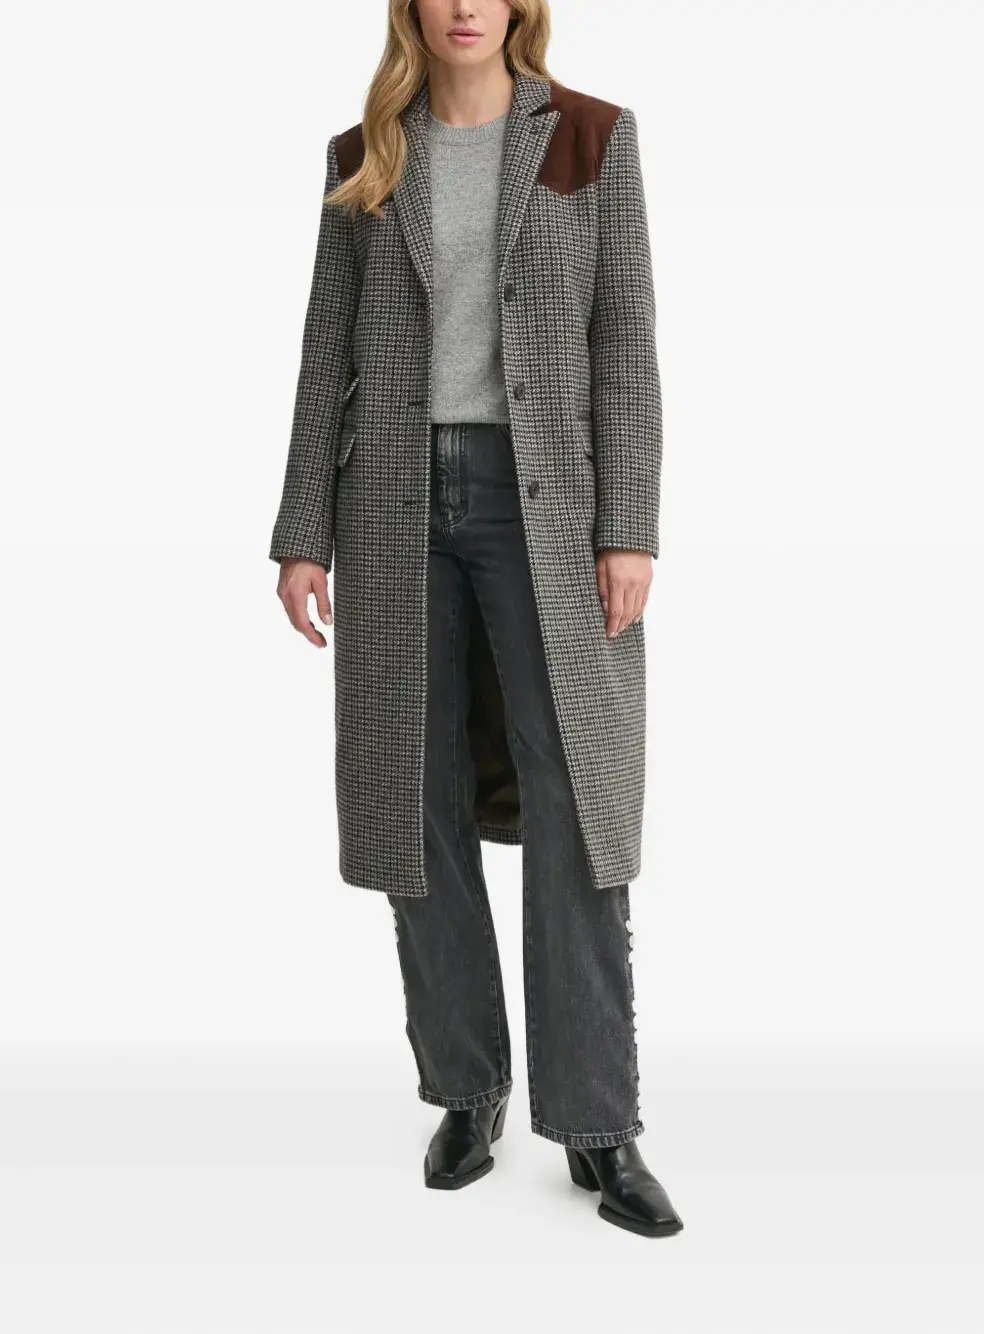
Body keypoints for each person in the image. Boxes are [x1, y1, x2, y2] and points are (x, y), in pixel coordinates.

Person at [269, 0, 683, 1238]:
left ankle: (598, 1118)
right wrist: (301, 530)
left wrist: (629, 526)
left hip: (545, 504)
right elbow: (325, 347)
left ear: (518, 8)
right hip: (390, 504)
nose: (463, 6)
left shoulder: (590, 136)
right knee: (415, 800)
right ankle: (465, 1088)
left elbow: (625, 337)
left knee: (577, 802)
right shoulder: (365, 153)